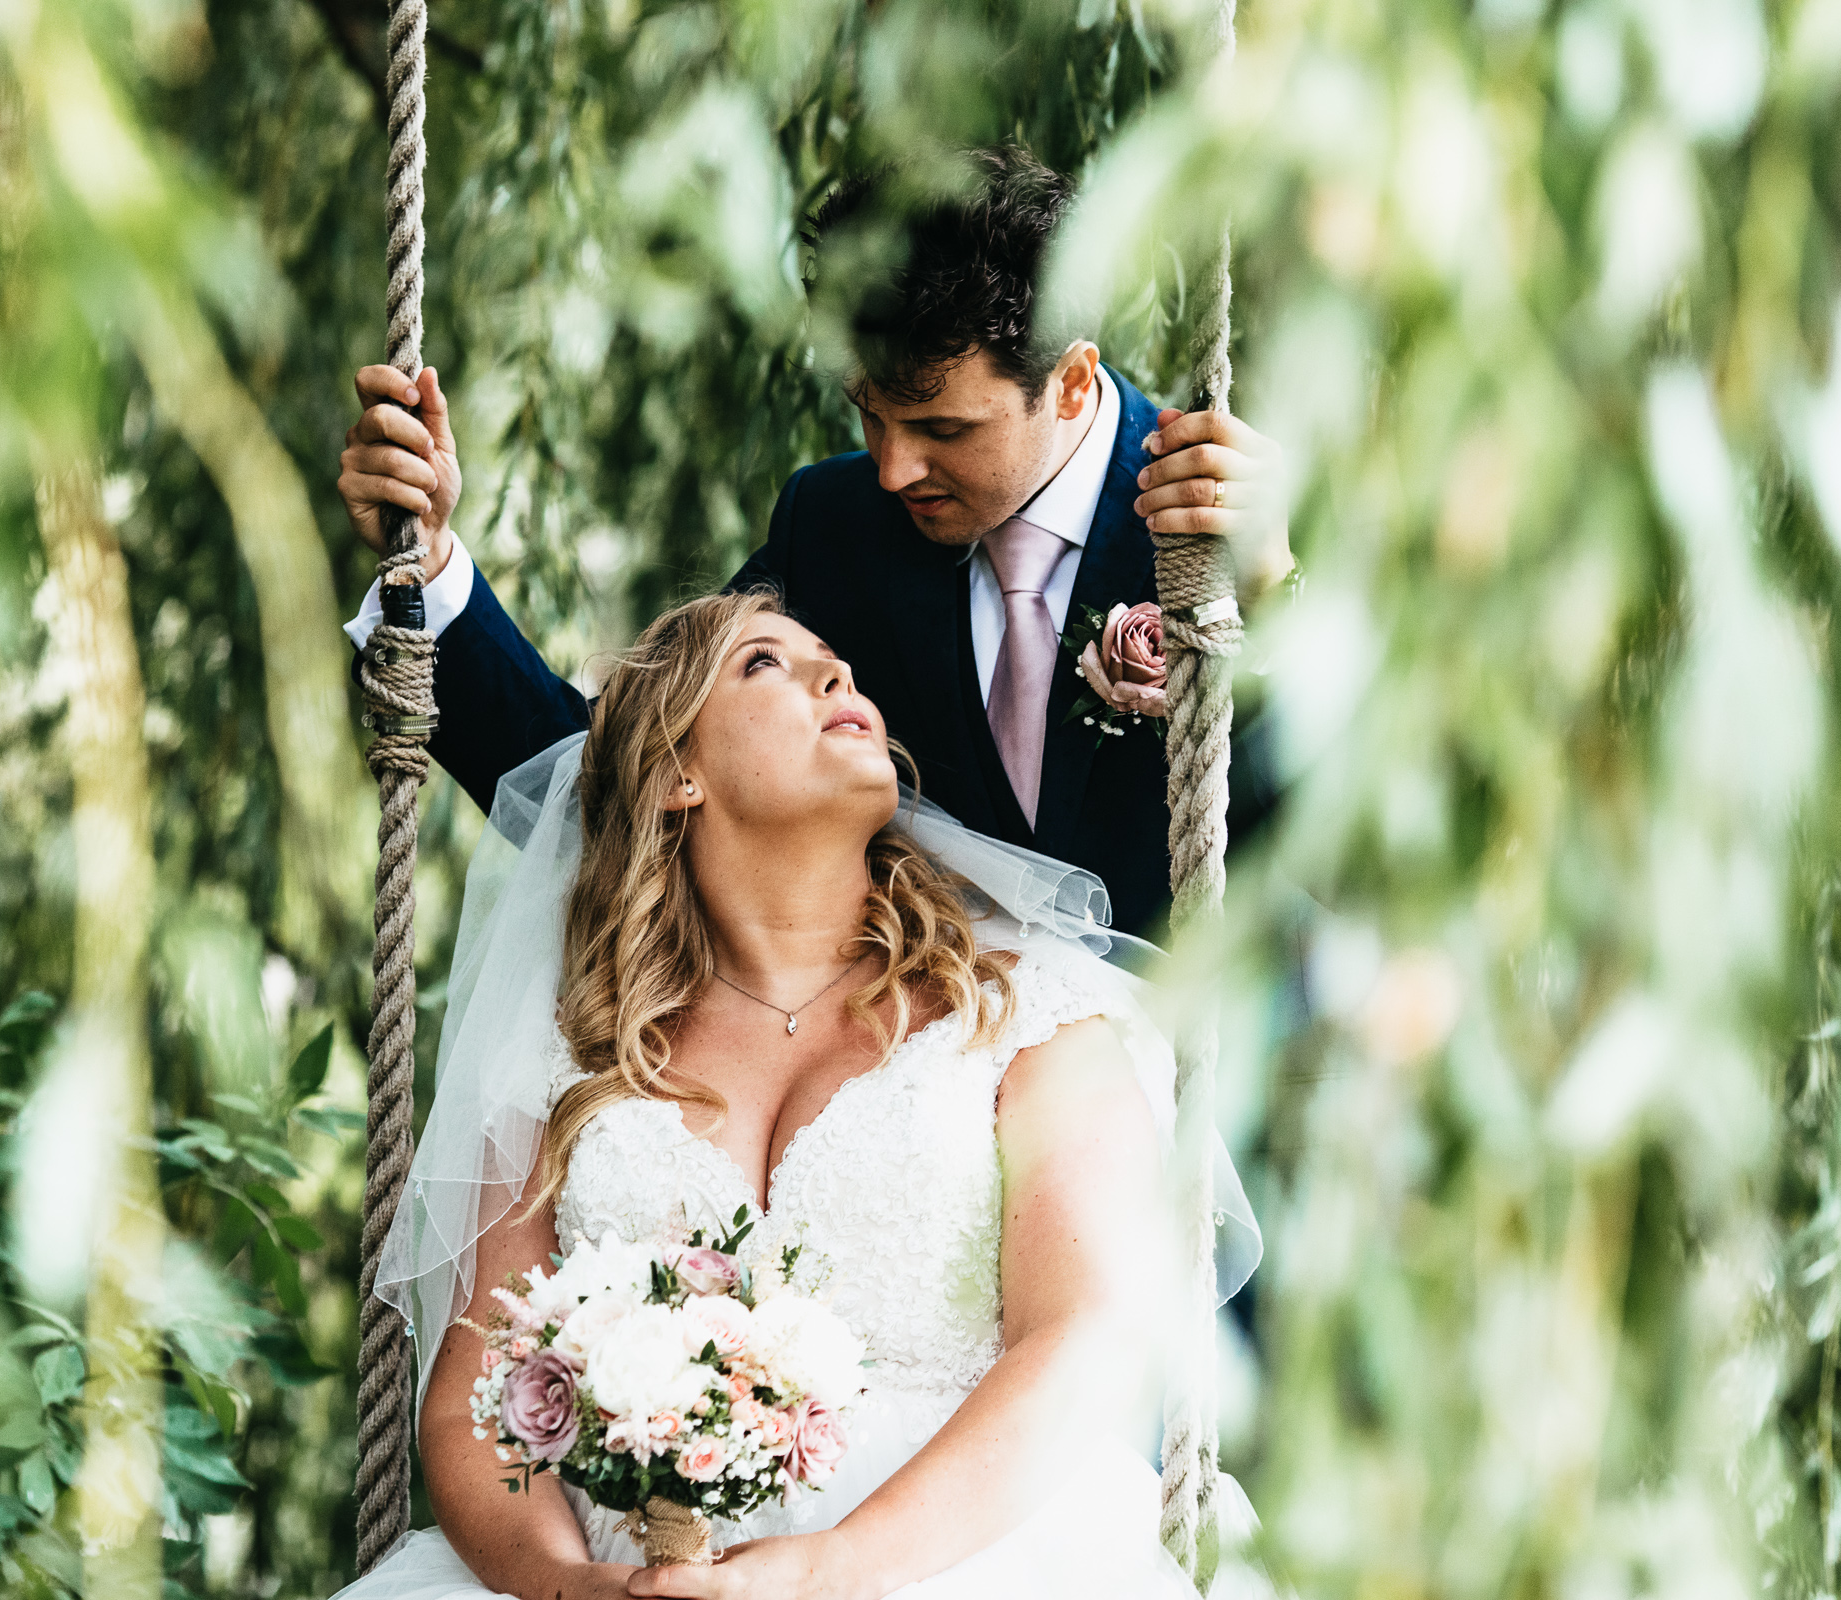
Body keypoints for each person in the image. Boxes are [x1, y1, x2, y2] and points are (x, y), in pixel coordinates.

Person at [336, 590, 1258, 1600]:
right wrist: (569, 1585)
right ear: (677, 772)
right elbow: (476, 1393)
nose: (838, 676)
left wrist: (825, 1571)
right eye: (766, 664)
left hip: (967, 1556)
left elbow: (1087, 1339)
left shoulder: (1033, 1011)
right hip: (632, 1571)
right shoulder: (570, 1055)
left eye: (837, 662)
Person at [337, 145, 1292, 936]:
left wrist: (1274, 602)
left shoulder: (1230, 520)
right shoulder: (834, 530)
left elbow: (1347, 850)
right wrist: (430, 569)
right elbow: (623, 780)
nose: (891, 470)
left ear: (1073, 383)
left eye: (943, 430)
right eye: (868, 416)